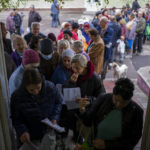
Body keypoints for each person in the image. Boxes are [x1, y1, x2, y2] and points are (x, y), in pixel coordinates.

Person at [79, 78, 143, 150]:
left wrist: (107, 145)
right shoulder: (103, 99)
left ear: (130, 99)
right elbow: (88, 121)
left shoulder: (137, 112)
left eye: (123, 103)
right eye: (116, 100)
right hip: (96, 146)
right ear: (113, 94)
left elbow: (133, 139)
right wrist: (82, 110)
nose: (118, 105)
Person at [10, 69, 63, 147]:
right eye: (31, 90)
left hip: (49, 133)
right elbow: (16, 118)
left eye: (38, 88)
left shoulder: (50, 87)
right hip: (30, 137)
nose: (36, 92)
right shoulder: (17, 96)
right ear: (25, 86)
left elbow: (58, 102)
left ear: (41, 82)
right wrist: (23, 131)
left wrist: (54, 117)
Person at [62, 54, 105, 140]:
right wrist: (70, 82)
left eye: (78, 68)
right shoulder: (71, 74)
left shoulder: (94, 78)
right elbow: (64, 90)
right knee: (75, 131)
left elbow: (102, 96)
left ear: (85, 67)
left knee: (84, 132)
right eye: (73, 67)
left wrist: (89, 100)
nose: (75, 70)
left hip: (87, 110)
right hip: (73, 109)